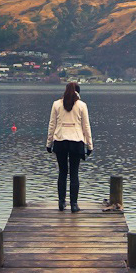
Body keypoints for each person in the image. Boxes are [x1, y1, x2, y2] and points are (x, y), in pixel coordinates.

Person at [46, 82, 94, 212]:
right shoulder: (82, 105)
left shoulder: (56, 104)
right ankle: (74, 204)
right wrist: (90, 145)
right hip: (76, 142)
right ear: (78, 92)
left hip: (60, 141)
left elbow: (52, 125)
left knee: (62, 173)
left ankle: (61, 203)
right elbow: (86, 127)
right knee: (74, 174)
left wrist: (49, 143)